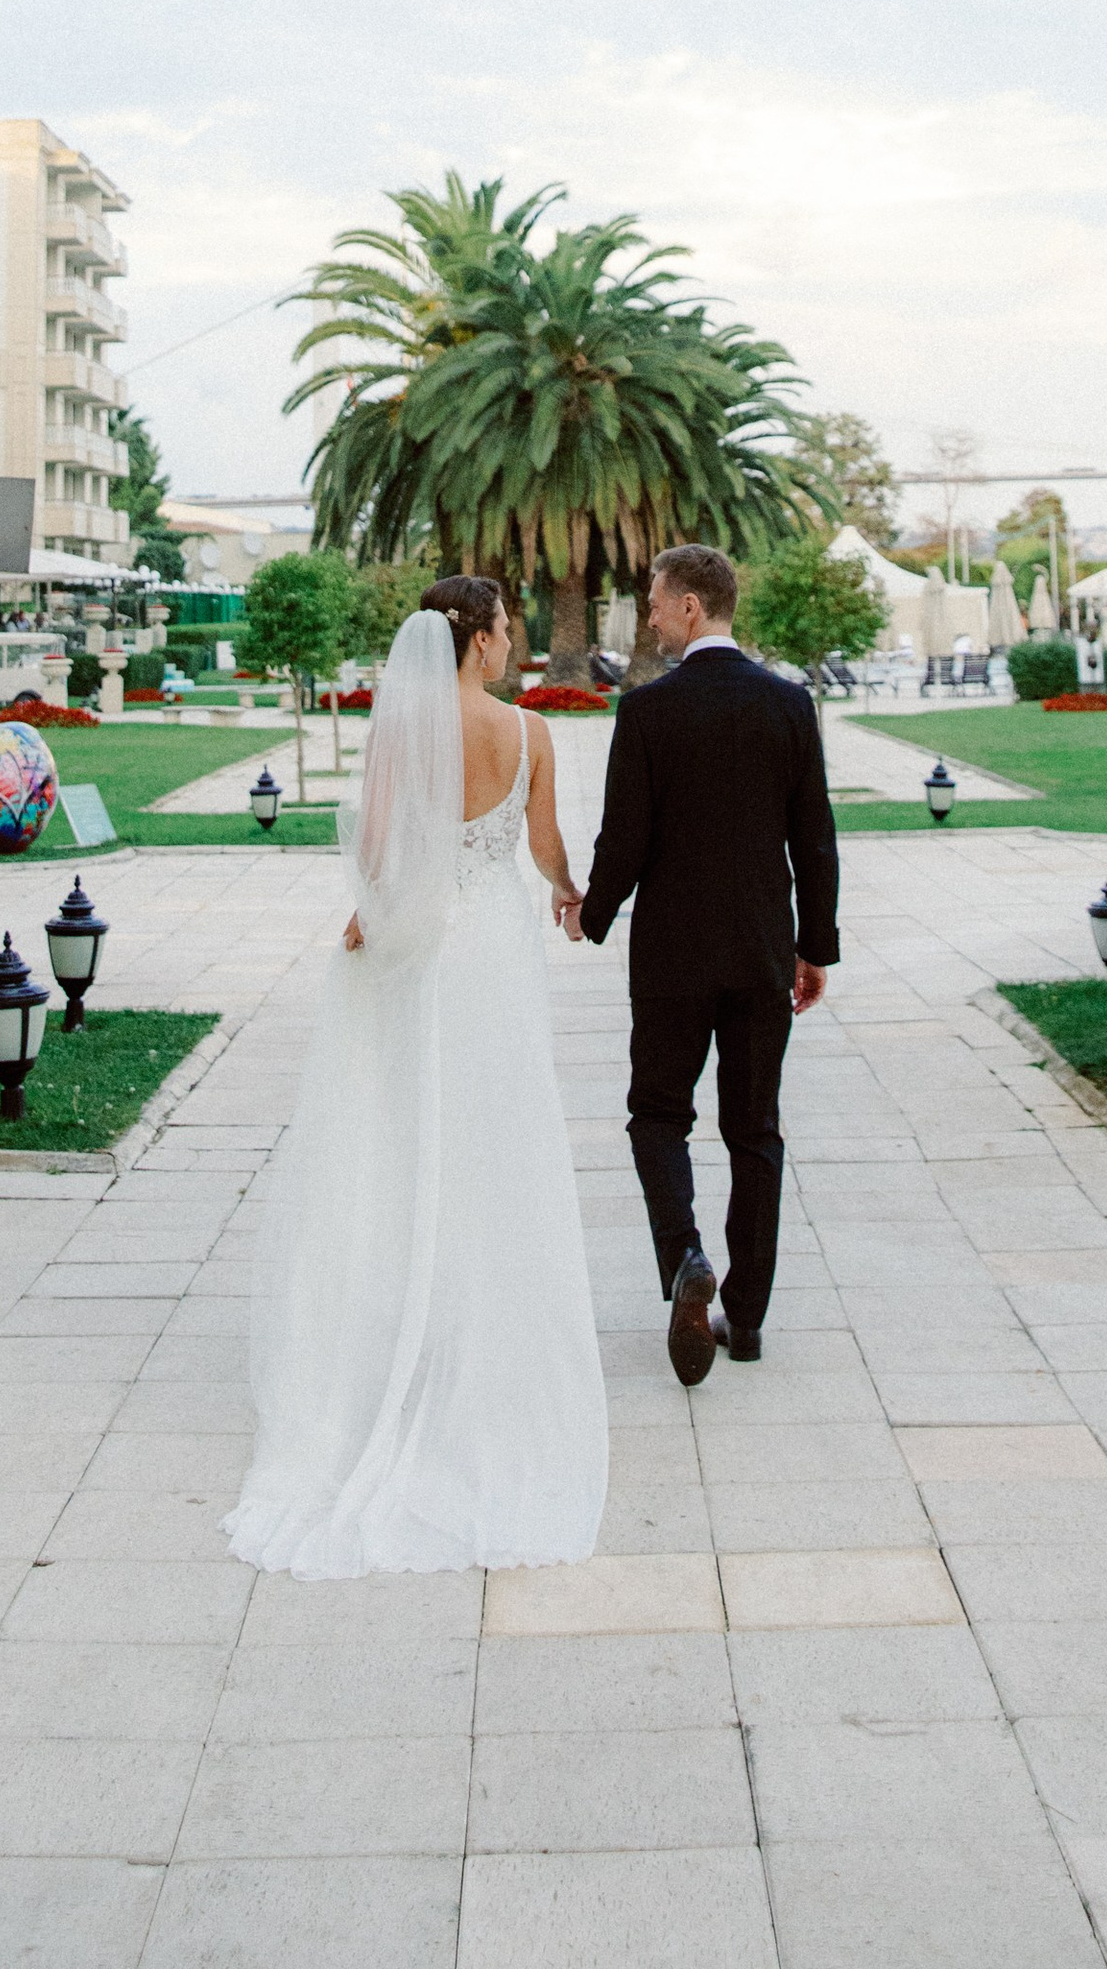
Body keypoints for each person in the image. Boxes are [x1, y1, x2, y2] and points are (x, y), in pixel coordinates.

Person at [226, 574, 608, 1576]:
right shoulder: (528, 733)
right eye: (506, 626)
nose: (512, 638)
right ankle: (481, 1318)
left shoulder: (400, 731)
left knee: (405, 1127)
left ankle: (405, 1309)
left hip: (422, 946)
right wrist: (572, 893)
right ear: (478, 639)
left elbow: (386, 844)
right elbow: (538, 847)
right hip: (493, 946)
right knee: (495, 1124)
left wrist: (370, 918)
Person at [565, 542, 840, 1387]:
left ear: (691, 607)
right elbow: (814, 838)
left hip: (673, 957)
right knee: (754, 1130)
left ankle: (684, 1256)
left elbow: (627, 837)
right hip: (761, 951)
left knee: (657, 1114)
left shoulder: (647, 712)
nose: (647, 614)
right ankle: (746, 1319)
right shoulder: (789, 705)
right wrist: (814, 946)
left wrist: (592, 910)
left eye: (654, 599)